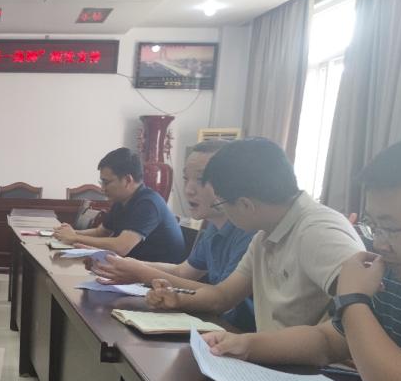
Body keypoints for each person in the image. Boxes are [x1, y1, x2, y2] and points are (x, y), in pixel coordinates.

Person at [203, 140, 401, 381]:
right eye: (375, 226)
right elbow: (327, 341)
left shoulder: (320, 231)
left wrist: (353, 300)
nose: (380, 244)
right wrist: (247, 344)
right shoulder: (391, 272)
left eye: (391, 228)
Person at [146, 137, 363, 331]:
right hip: (271, 354)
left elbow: (361, 314)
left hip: (301, 362)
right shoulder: (264, 234)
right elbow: (223, 296)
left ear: (245, 205)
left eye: (221, 203)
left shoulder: (318, 232)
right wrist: (178, 299)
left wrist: (247, 345)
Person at [90, 139, 256, 330]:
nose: (189, 190)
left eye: (201, 179)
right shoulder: (213, 227)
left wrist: (141, 273)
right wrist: (125, 264)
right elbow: (182, 271)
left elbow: (221, 298)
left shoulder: (248, 231)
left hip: (239, 332)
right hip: (216, 326)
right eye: (186, 178)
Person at [53, 147, 185, 262]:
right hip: (132, 269)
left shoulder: (148, 203)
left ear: (127, 180)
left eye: (106, 182)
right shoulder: (121, 201)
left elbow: (121, 247)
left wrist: (75, 237)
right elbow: (101, 232)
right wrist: (70, 233)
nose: (102, 189)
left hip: (157, 277)